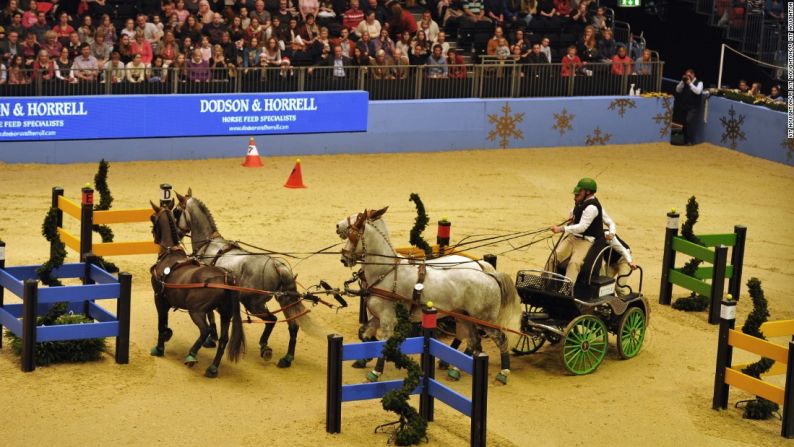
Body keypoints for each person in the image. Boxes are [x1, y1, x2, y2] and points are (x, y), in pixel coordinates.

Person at [547, 177, 605, 284]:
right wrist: (571, 221)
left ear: (588, 192)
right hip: (572, 238)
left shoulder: (592, 207)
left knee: (574, 263)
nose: (577, 193)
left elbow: (582, 227)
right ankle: (547, 283)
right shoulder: (580, 203)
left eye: (580, 191)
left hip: (585, 242)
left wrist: (561, 228)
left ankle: (566, 290)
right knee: (553, 258)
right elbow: (575, 220)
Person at [602, 232, 637, 297]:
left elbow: (622, 250)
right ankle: (609, 302)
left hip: (624, 259)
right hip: (610, 263)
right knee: (603, 285)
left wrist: (630, 261)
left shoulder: (607, 235)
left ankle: (625, 305)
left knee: (620, 287)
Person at [674, 68, 703, 146]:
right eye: (686, 75)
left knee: (689, 121)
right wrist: (682, 81)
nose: (687, 77)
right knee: (684, 123)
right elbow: (677, 90)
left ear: (693, 75)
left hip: (693, 107)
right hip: (684, 106)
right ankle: (685, 140)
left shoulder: (699, 83)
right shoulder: (684, 82)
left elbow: (698, 91)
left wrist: (690, 83)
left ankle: (690, 141)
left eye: (689, 75)